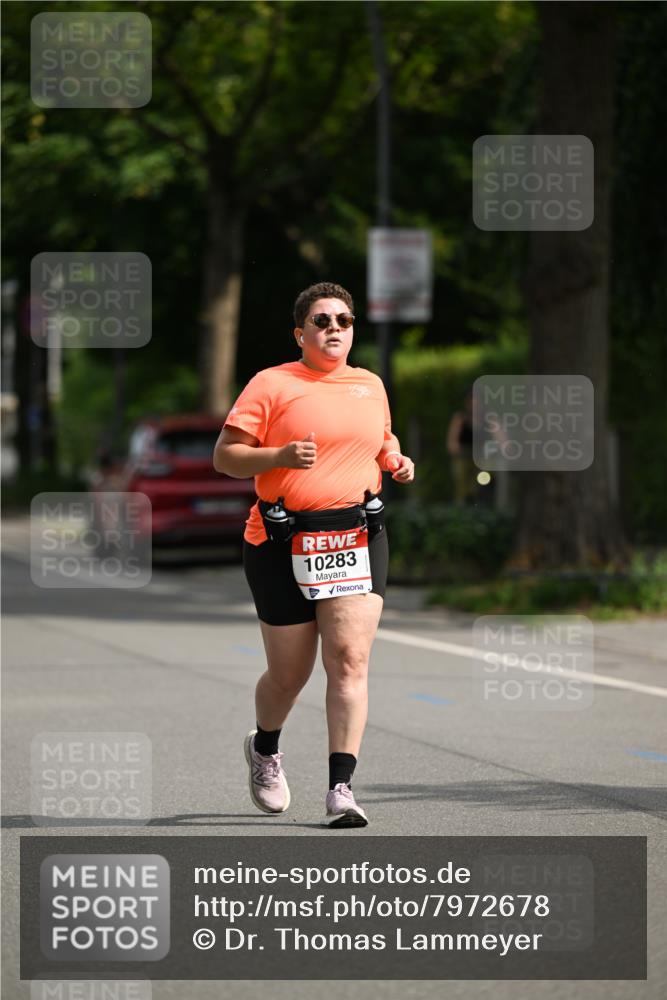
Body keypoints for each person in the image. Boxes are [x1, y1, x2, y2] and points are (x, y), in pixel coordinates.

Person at [213, 282, 414, 828]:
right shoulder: (272, 383)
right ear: (300, 333)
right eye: (322, 321)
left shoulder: (369, 384)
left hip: (355, 537)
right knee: (289, 675)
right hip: (281, 541)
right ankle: (265, 748)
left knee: (348, 661)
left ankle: (341, 789)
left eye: (343, 321)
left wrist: (395, 459)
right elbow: (226, 457)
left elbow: (381, 440)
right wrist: (277, 454)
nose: (334, 329)